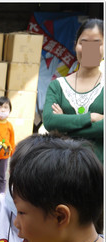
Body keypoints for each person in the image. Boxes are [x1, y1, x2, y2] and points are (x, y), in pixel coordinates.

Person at [42, 18, 104, 162]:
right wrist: (91, 117)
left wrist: (64, 127)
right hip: (63, 168)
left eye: (97, 43)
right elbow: (50, 121)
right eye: (84, 43)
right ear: (75, 45)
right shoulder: (57, 86)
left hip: (99, 169)